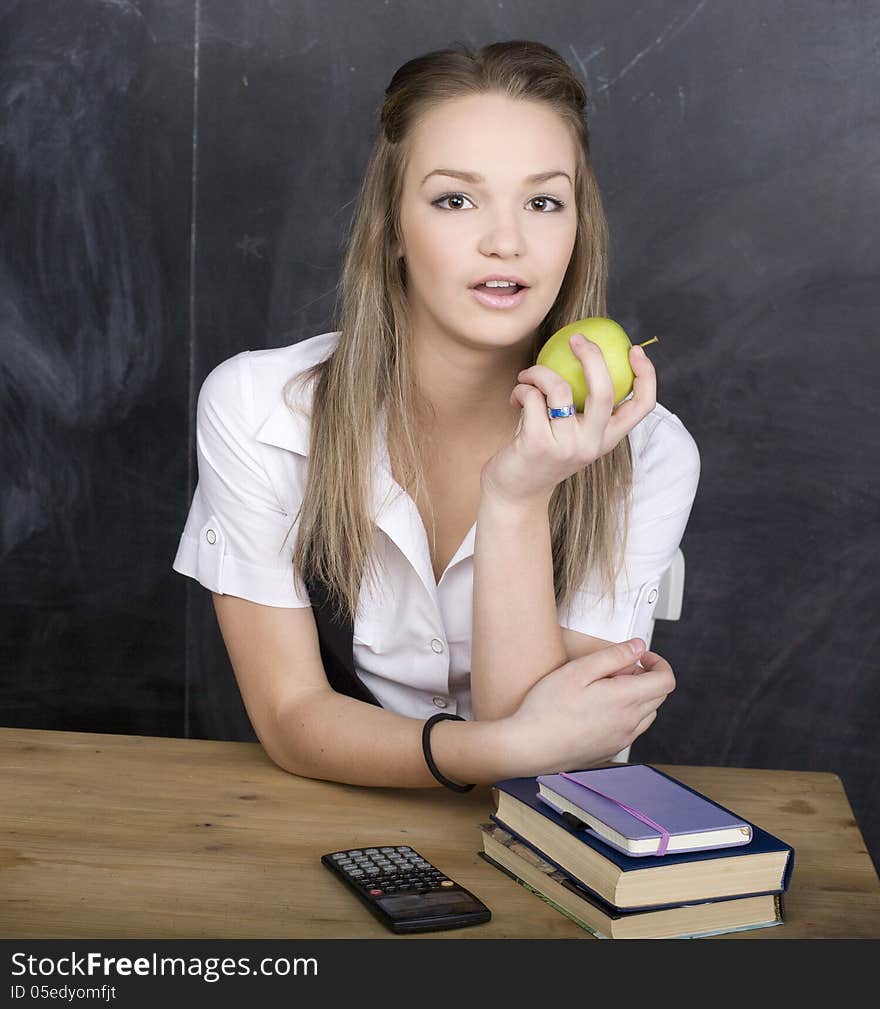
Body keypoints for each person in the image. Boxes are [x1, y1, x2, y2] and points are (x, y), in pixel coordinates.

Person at [172, 40, 700, 791]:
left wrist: (517, 499)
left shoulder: (650, 452)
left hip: (545, 849)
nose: (507, 241)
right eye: (456, 198)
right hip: (331, 819)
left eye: (543, 201)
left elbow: (550, 772)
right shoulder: (260, 408)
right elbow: (291, 713)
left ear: (578, 226)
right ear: (391, 225)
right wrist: (494, 749)